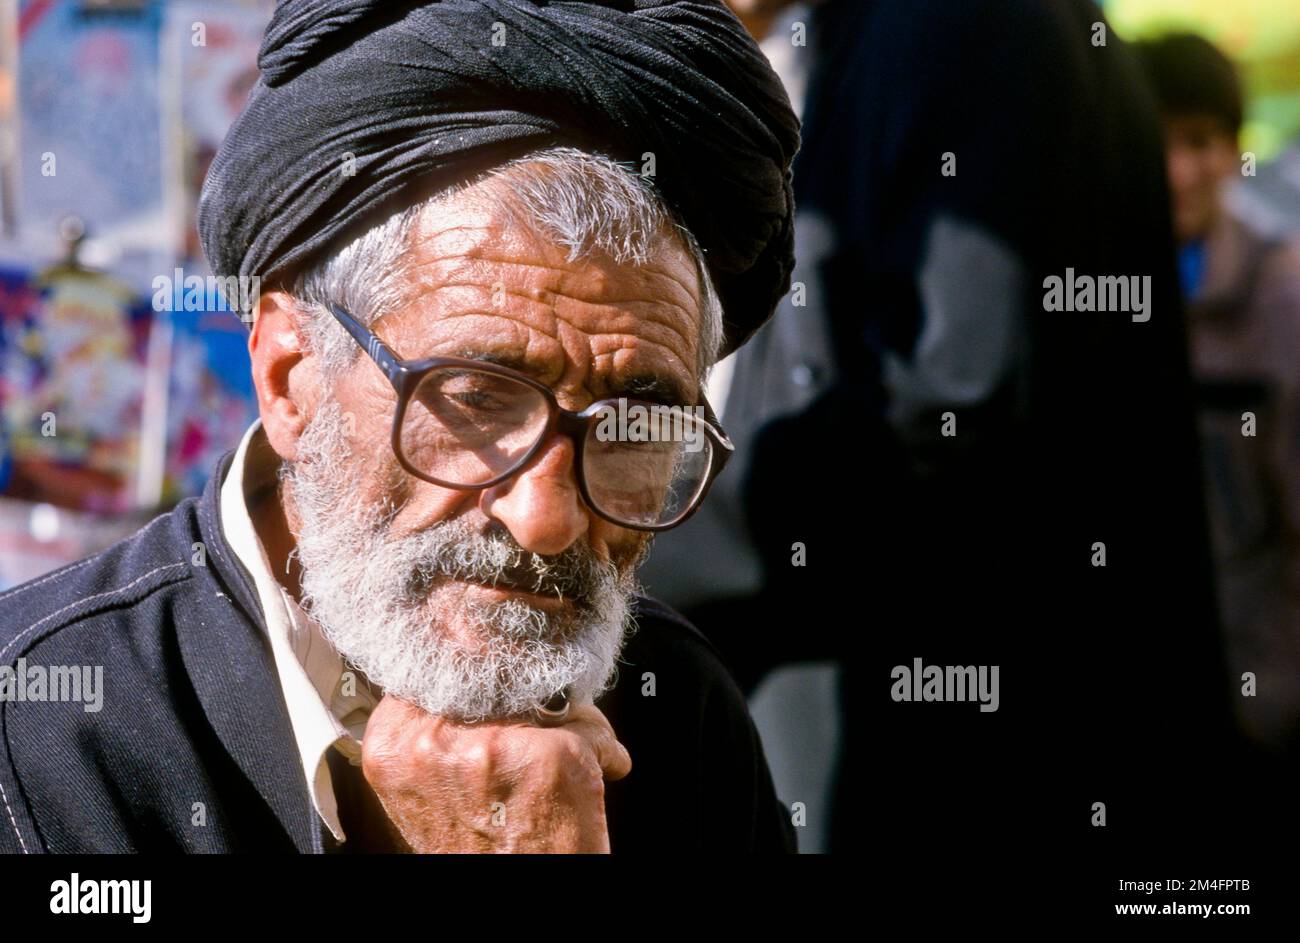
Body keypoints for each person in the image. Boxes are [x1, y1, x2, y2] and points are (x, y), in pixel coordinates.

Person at [0, 0, 800, 854]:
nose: (546, 518)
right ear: (290, 378)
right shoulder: (40, 730)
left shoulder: (684, 712)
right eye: (476, 399)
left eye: (634, 426)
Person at [1135, 33, 1300, 753]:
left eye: (1200, 141)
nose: (1179, 171)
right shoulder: (1089, 289)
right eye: (1158, 141)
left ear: (1234, 149)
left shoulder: (1281, 296)